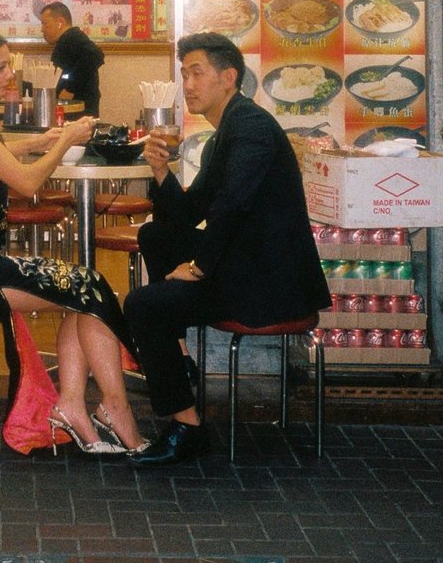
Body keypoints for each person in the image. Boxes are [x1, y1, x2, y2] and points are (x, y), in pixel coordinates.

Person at [0, 23, 148, 455]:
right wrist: (64, 138)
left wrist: (39, 141)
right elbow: (29, 184)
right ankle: (111, 407)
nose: (7, 76)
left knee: (83, 287)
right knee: (88, 286)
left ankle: (75, 405)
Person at [123, 31, 331, 467]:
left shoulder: (251, 129)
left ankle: (187, 429)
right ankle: (180, 360)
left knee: (144, 305)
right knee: (155, 236)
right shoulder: (227, 132)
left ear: (229, 77)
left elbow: (232, 206)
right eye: (184, 75)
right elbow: (184, 214)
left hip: (268, 283)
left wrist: (199, 267)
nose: (189, 84)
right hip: (245, 262)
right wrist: (160, 172)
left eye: (197, 73)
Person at [39, 2, 104, 116]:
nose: (42, 29)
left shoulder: (73, 37)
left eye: (45, 24)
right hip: (73, 110)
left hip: (79, 111)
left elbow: (95, 55)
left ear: (60, 22)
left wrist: (70, 88)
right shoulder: (65, 40)